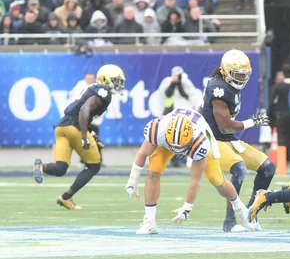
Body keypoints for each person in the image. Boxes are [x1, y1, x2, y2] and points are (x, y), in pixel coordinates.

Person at [124, 109, 254, 234]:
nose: (177, 150)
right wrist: (132, 180)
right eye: (174, 147)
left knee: (217, 179)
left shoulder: (200, 142)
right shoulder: (158, 130)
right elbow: (142, 153)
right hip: (168, 141)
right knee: (153, 171)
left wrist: (187, 207)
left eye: (180, 148)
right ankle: (149, 222)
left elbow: (195, 179)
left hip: (196, 138)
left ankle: (240, 208)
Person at [33, 64, 125, 210]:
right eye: (116, 80)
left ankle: (41, 167)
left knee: (60, 168)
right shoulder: (104, 92)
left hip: (62, 127)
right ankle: (66, 197)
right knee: (94, 166)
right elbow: (84, 109)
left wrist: (92, 134)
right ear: (106, 79)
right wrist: (84, 136)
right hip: (75, 128)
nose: (119, 84)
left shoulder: (92, 88)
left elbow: (74, 109)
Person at [201, 49, 274, 232]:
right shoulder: (218, 88)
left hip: (228, 139)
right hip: (213, 141)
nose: (241, 79)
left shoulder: (229, 85)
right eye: (237, 75)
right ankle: (230, 221)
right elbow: (224, 125)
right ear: (226, 71)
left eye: (244, 75)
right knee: (239, 169)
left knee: (268, 167)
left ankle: (251, 213)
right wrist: (252, 122)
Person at [267, 63, 290, 161]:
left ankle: (283, 159)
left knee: (282, 136)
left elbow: (272, 101)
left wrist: (269, 114)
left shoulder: (278, 86)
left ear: (283, 73)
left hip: (281, 114)